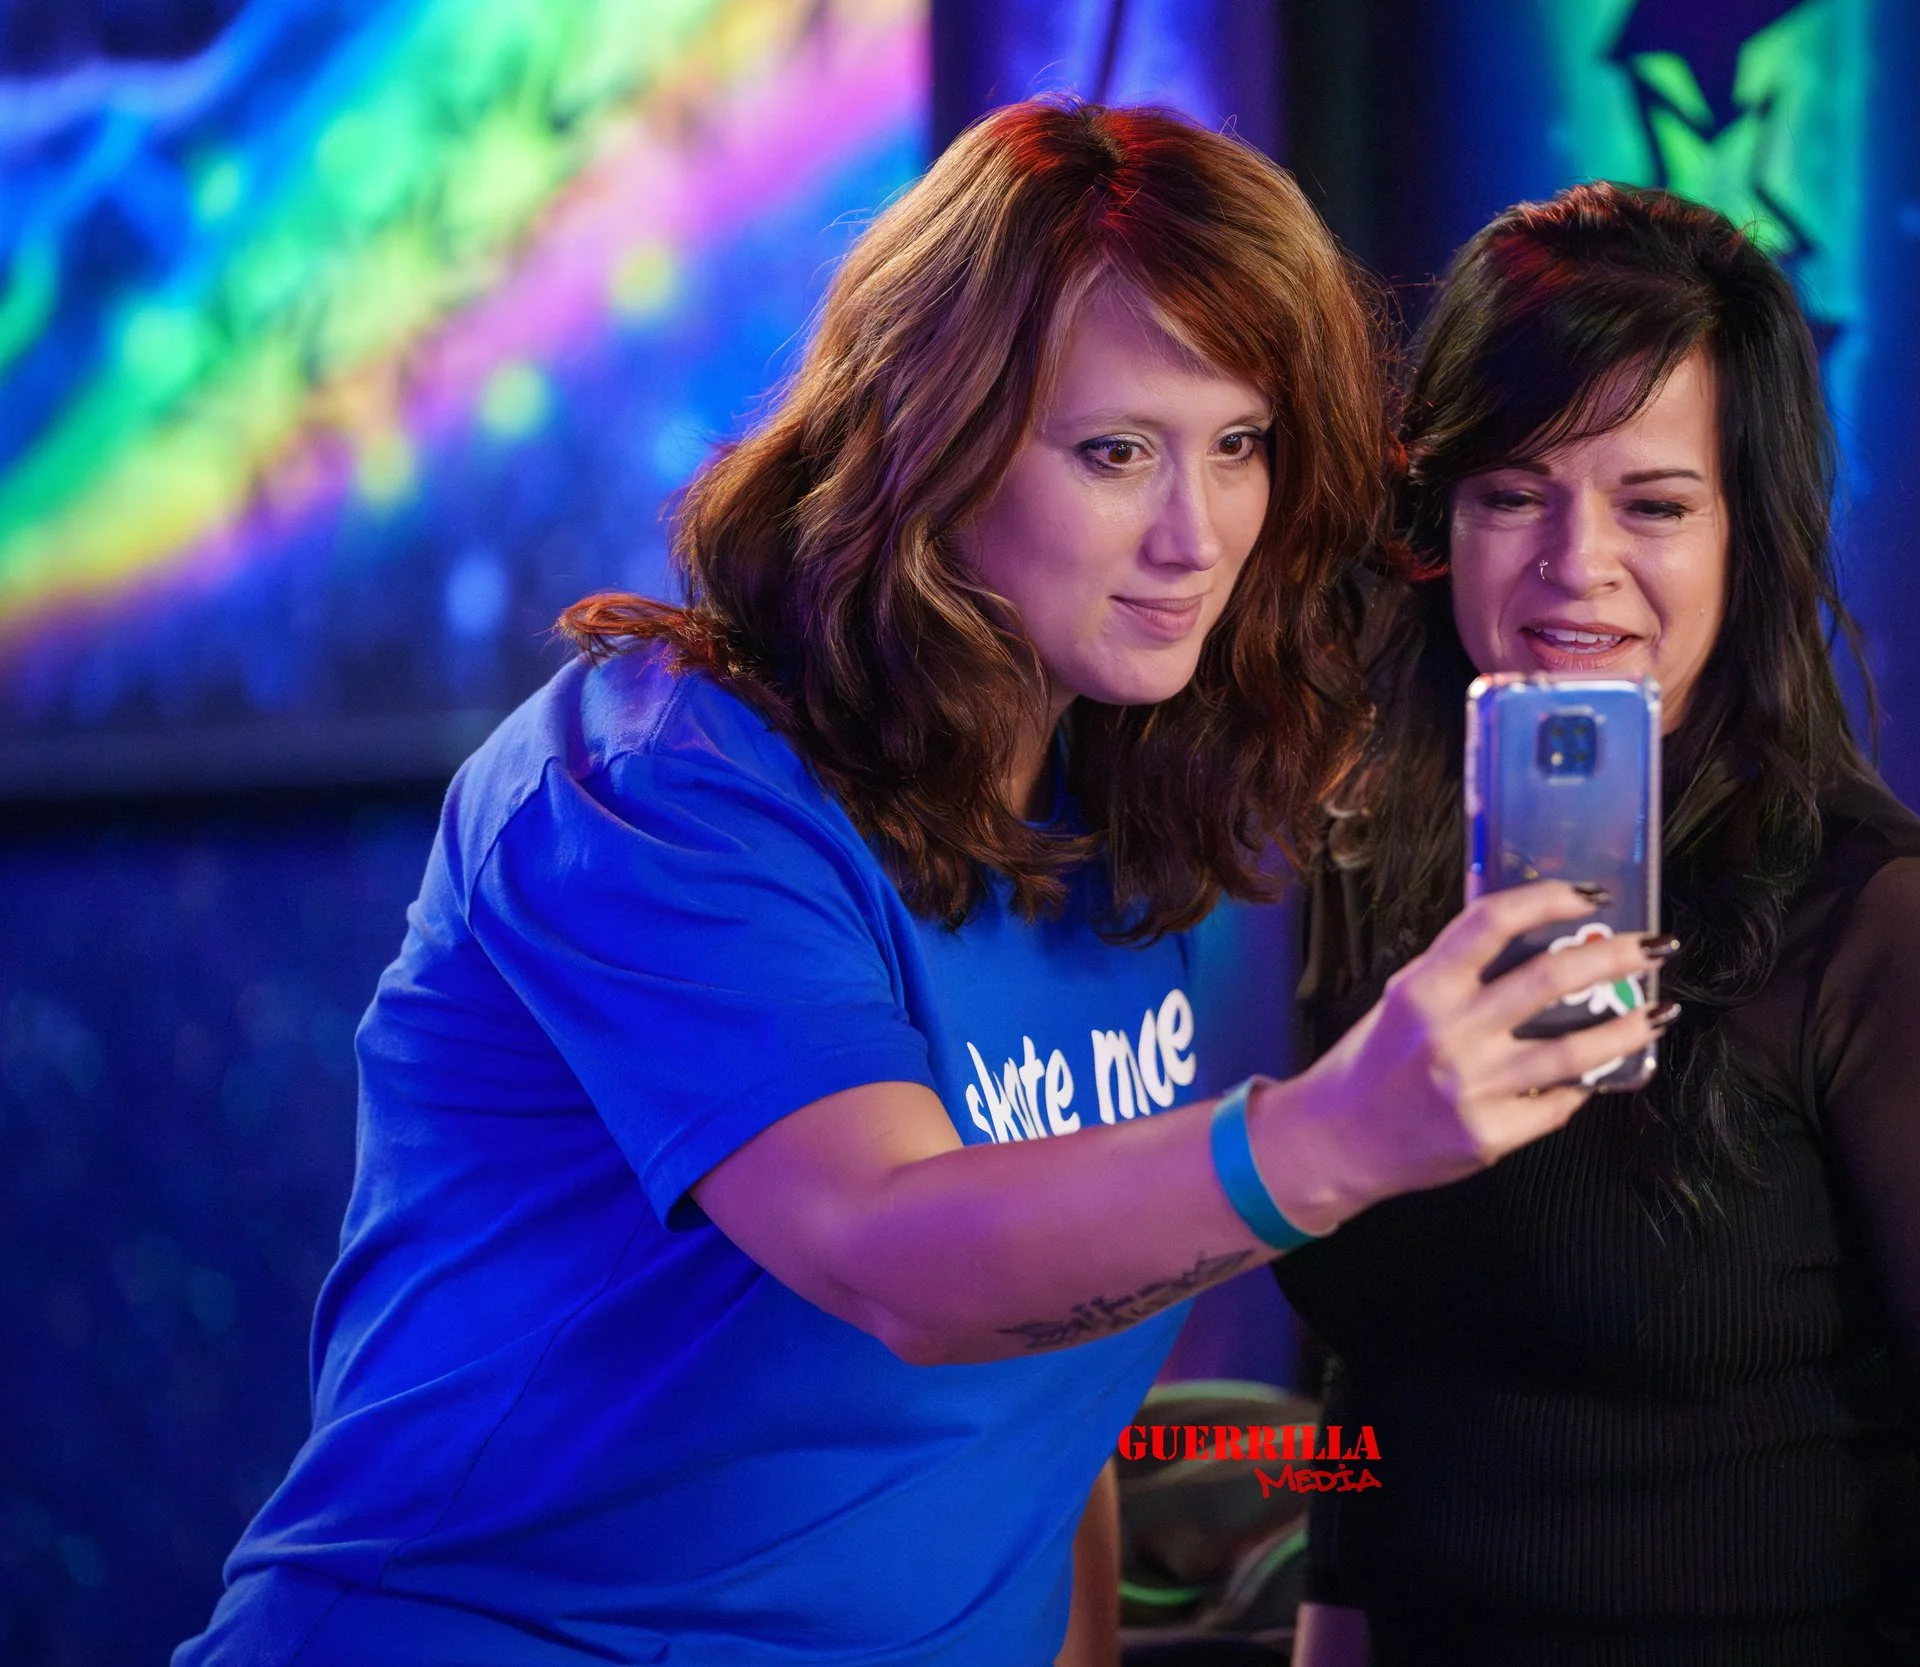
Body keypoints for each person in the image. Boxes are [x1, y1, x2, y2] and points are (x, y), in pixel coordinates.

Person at [175, 104, 1673, 1667]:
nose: (1197, 534)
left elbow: (1046, 1392)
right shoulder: (653, 780)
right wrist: (1334, 1132)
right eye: (1115, 452)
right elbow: (898, 1252)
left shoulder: (1106, 783)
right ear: (928, 439)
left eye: (1241, 446)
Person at [1280, 182, 1920, 1667]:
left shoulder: (1877, 921)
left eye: (1653, 502)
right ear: (1438, 524)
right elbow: (1384, 1378)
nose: (1573, 561)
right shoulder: (1374, 873)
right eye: (1511, 492)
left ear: (1748, 535)